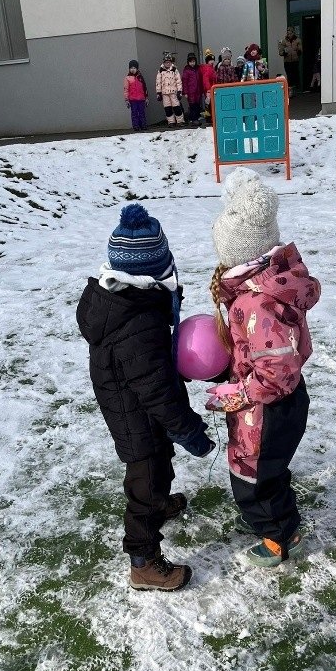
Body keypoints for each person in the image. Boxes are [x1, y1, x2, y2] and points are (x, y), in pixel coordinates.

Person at [76, 204, 215, 591]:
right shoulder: (138, 322)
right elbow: (157, 389)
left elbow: (149, 374)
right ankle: (143, 561)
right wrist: (189, 431)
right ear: (151, 272)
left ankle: (160, 502)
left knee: (158, 464)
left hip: (129, 402)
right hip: (134, 411)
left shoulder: (120, 301)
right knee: (146, 481)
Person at [207, 168, 321, 567]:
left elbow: (275, 370)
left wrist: (238, 394)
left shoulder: (255, 302)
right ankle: (270, 519)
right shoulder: (267, 286)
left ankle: (280, 537)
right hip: (273, 398)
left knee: (255, 474)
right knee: (264, 467)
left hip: (266, 405)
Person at [155, 52, 184, 128]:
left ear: (171, 62)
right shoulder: (161, 71)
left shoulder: (174, 70)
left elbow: (178, 81)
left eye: (169, 62)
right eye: (166, 62)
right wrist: (158, 93)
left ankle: (180, 121)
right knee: (167, 108)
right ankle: (171, 122)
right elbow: (158, 82)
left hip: (173, 92)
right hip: (165, 93)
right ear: (163, 63)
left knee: (176, 107)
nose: (168, 64)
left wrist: (179, 91)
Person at [123, 59, 148, 131]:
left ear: (137, 69)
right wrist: (126, 99)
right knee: (134, 113)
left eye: (134, 68)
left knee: (142, 113)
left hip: (141, 99)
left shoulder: (140, 77)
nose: (133, 69)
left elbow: (144, 88)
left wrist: (146, 97)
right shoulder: (127, 78)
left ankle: (143, 125)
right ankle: (136, 126)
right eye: (131, 68)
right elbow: (126, 89)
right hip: (133, 99)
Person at [277, 26, 302, 98]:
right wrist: (284, 53)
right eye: (288, 32)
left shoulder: (298, 40)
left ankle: (294, 90)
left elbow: (300, 50)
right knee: (289, 75)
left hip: (295, 60)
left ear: (293, 32)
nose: (289, 33)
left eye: (290, 32)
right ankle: (290, 91)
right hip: (287, 61)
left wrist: (298, 51)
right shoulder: (284, 41)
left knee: (295, 75)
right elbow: (280, 52)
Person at [182, 52, 203, 127]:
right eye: (190, 62)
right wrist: (185, 92)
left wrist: (201, 90)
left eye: (193, 61)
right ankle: (194, 119)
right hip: (191, 92)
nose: (192, 63)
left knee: (197, 105)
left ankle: (195, 118)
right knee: (192, 105)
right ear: (188, 62)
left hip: (198, 91)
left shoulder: (198, 69)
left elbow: (200, 79)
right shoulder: (186, 70)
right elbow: (184, 82)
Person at [199, 48, 216, 124]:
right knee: (210, 104)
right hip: (209, 90)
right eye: (210, 60)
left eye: (212, 60)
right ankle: (210, 118)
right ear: (207, 61)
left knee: (211, 104)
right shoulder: (207, 69)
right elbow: (205, 80)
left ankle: (211, 118)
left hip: (212, 89)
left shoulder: (211, 68)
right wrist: (208, 89)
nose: (212, 61)